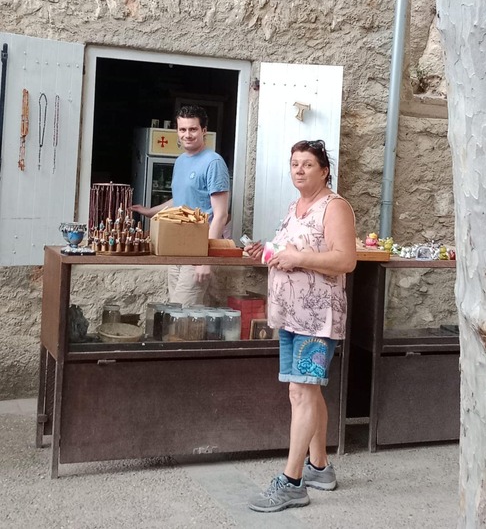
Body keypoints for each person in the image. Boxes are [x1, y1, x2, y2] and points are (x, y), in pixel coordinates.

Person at [245, 139, 357, 513]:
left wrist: (296, 258)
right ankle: (319, 468)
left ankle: (292, 481)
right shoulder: (295, 207)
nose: (299, 170)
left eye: (307, 164)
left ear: (324, 170)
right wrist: (264, 251)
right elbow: (286, 254)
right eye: (294, 163)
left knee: (301, 392)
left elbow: (345, 260)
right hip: (290, 315)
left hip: (317, 317)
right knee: (308, 390)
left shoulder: (335, 206)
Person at [131, 105, 230, 306]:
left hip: (199, 250)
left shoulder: (213, 163)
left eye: (193, 129)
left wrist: (205, 259)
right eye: (182, 129)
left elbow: (221, 215)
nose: (187, 135)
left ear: (204, 130)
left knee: (183, 313)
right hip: (178, 246)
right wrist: (150, 212)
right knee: (174, 309)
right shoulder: (181, 161)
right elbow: (180, 202)